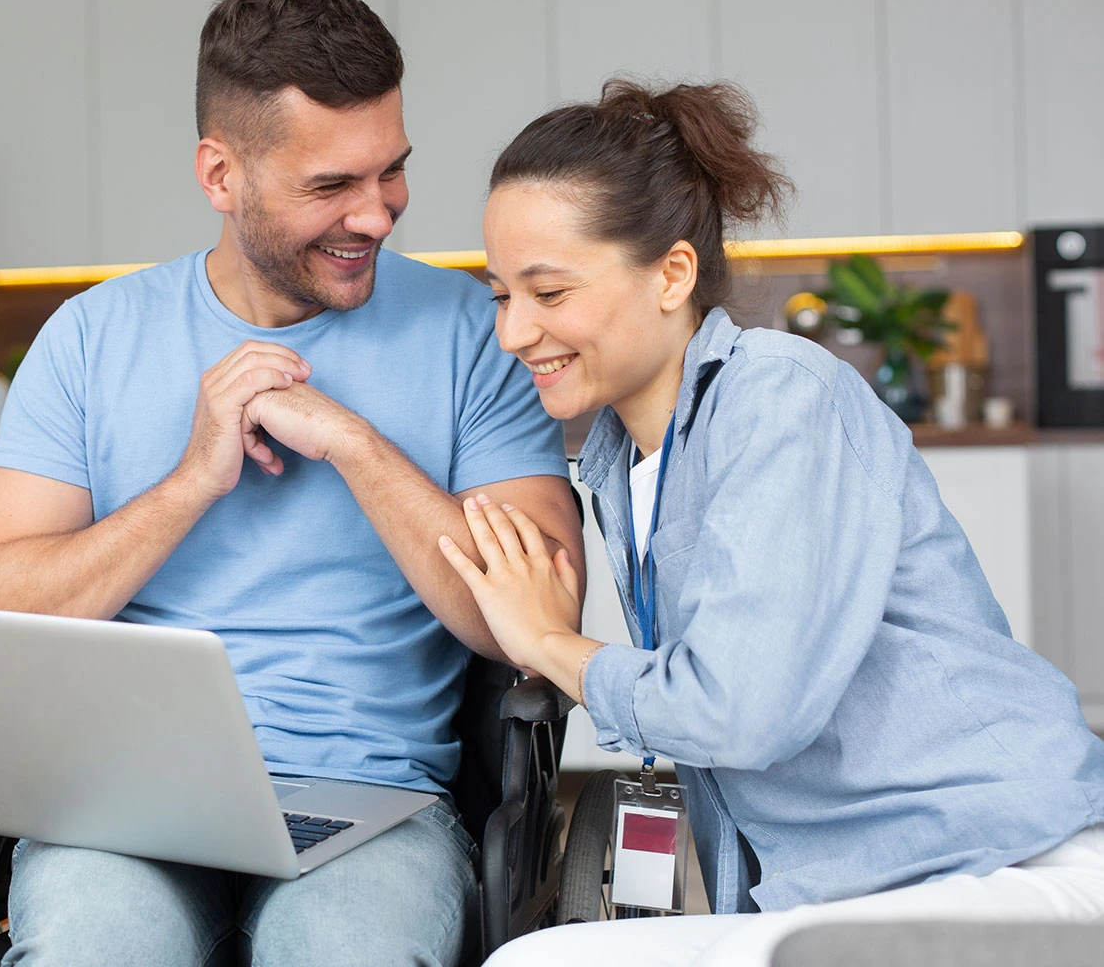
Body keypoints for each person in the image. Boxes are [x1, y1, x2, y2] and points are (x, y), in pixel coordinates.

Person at [0, 0, 583, 964]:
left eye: (391, 172)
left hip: (375, 808)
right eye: (329, 186)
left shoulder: (476, 333)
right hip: (125, 806)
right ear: (219, 175)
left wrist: (355, 444)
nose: (374, 215)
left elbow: (541, 615)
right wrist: (189, 481)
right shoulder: (91, 338)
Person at [435, 78, 1104, 966]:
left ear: (672, 274)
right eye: (499, 296)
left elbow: (743, 712)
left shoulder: (781, 397)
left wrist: (551, 643)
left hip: (991, 858)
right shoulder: (618, 456)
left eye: (549, 293)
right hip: (852, 885)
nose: (515, 331)